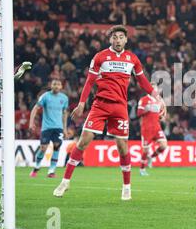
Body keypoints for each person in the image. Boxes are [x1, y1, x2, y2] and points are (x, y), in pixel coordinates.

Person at [53, 25, 165, 200]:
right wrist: (82, 103)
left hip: (120, 107)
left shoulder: (132, 59)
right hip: (100, 105)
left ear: (126, 40)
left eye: (121, 37)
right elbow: (90, 81)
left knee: (122, 146)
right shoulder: (100, 57)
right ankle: (65, 181)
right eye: (115, 37)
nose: (118, 40)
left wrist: (159, 99)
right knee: (83, 142)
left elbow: (143, 81)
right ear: (110, 39)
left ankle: (126, 187)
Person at [29, 78, 69, 178]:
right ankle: (36, 167)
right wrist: (31, 123)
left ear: (61, 86)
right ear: (51, 85)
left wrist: (64, 128)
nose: (56, 86)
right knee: (43, 148)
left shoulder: (64, 98)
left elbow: (65, 113)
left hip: (58, 127)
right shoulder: (45, 96)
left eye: (58, 84)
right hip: (47, 127)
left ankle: (51, 171)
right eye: (54, 84)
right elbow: (35, 108)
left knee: (56, 147)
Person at [137, 82, 168, 176]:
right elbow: (138, 113)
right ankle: (142, 169)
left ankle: (151, 157)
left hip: (157, 127)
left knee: (163, 145)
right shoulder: (144, 100)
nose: (155, 90)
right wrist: (147, 109)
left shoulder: (158, 101)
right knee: (145, 150)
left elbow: (161, 112)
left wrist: (161, 116)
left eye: (155, 89)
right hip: (147, 129)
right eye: (153, 89)